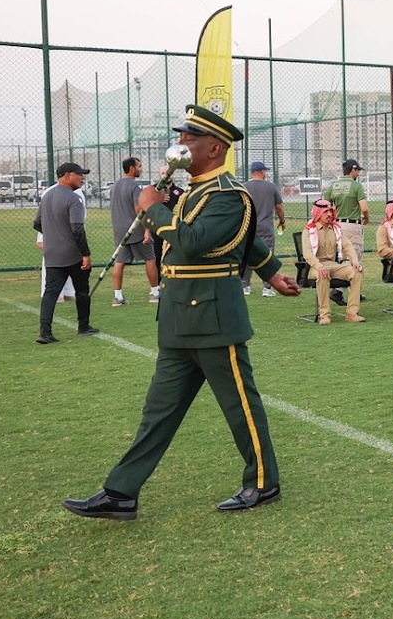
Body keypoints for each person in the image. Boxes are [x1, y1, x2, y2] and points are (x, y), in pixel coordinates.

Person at [61, 105, 301, 520]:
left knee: (240, 406)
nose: (182, 144)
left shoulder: (229, 194)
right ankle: (121, 492)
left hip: (213, 319)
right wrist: (273, 273)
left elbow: (193, 242)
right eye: (183, 137)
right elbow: (243, 242)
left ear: (214, 148)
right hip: (178, 318)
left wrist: (154, 208)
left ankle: (263, 483)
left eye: (190, 138)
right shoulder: (195, 192)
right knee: (158, 412)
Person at [34, 162, 99, 345]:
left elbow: (37, 223)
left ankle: (44, 332)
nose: (83, 177)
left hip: (52, 254)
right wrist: (85, 253)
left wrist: (53, 234)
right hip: (72, 253)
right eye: (80, 174)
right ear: (68, 175)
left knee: (50, 293)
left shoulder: (47, 196)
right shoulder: (74, 199)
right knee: (82, 290)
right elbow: (77, 229)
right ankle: (83, 326)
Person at [108, 157, 161, 306]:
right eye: (139, 166)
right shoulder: (135, 186)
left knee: (119, 262)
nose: (141, 168)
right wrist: (146, 231)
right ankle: (155, 292)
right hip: (135, 229)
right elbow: (139, 209)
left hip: (119, 230)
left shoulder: (114, 186)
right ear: (132, 168)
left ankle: (117, 297)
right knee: (150, 258)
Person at [305, 198, 366, 324]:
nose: (329, 214)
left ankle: (352, 313)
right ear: (318, 213)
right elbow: (307, 254)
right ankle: (325, 315)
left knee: (357, 272)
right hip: (315, 267)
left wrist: (354, 261)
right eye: (326, 212)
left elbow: (348, 246)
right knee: (323, 274)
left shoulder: (336, 229)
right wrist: (319, 266)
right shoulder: (309, 230)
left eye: (330, 211)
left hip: (334, 265)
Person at [242, 160, 286, 297]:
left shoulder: (244, 187)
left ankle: (245, 286)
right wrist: (282, 220)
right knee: (267, 256)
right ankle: (267, 288)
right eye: (265, 171)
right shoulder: (271, 187)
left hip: (249, 227)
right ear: (261, 172)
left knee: (248, 254)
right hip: (266, 227)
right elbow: (279, 207)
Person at [323, 158, 369, 265]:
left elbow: (325, 206)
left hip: (337, 226)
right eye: (358, 171)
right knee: (354, 260)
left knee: (341, 257)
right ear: (353, 171)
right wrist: (366, 218)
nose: (358, 174)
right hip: (353, 225)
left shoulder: (333, 186)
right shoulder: (356, 186)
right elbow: (365, 208)